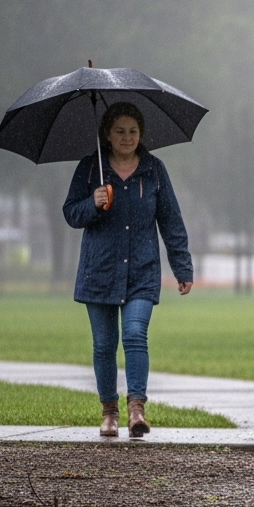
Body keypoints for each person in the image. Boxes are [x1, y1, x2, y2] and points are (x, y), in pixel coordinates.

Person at [62, 101, 193, 438]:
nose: (126, 137)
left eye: (133, 131)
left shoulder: (154, 170)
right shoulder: (91, 169)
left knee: (135, 335)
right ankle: (109, 412)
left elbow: (171, 221)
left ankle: (137, 409)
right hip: (99, 271)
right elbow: (71, 214)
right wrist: (92, 203)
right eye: (119, 130)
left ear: (141, 134)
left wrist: (182, 267)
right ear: (107, 133)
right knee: (104, 344)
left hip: (142, 271)